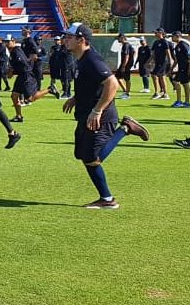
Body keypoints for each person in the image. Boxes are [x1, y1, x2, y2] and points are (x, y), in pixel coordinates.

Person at [60, 23, 151, 209]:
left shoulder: (91, 59)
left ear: (81, 40)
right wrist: (76, 98)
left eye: (69, 37)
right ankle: (106, 199)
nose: (65, 39)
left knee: (92, 159)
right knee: (82, 155)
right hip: (86, 114)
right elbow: (92, 85)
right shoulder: (81, 58)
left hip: (100, 116)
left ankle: (125, 129)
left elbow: (112, 84)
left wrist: (97, 110)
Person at [170, 31, 190, 108]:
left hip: (185, 67)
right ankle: (181, 101)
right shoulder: (177, 46)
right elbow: (176, 59)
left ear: (177, 36)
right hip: (181, 68)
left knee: (185, 84)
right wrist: (172, 68)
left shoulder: (183, 45)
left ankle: (186, 102)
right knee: (177, 82)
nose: (171, 38)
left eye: (173, 36)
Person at [150, 28, 173, 101]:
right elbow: (153, 54)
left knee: (161, 76)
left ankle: (165, 94)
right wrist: (149, 61)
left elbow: (168, 52)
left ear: (161, 33)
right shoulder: (156, 42)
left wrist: (170, 62)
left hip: (163, 62)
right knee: (155, 75)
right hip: (157, 62)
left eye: (156, 33)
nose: (155, 34)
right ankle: (158, 93)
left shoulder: (164, 42)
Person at [115, 33, 135, 99]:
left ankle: (127, 94)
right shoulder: (126, 45)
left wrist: (124, 66)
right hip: (124, 64)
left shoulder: (126, 45)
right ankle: (125, 91)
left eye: (119, 38)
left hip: (125, 65)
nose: (118, 39)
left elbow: (127, 56)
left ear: (123, 38)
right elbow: (134, 52)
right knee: (117, 77)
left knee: (127, 79)